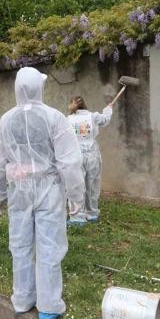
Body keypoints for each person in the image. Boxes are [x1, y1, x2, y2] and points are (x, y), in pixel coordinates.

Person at [0, 67, 85, 319]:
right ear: (38, 88)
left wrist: (0, 192)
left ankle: (22, 298)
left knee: (19, 243)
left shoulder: (6, 119)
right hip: (48, 188)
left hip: (18, 188)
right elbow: (69, 161)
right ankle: (49, 304)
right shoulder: (54, 118)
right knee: (49, 244)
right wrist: (76, 195)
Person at [66, 95, 113, 225]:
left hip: (75, 155)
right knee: (92, 185)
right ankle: (92, 214)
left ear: (72, 105)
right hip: (92, 154)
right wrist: (108, 109)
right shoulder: (93, 116)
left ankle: (77, 217)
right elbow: (105, 119)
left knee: (76, 186)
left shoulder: (68, 119)